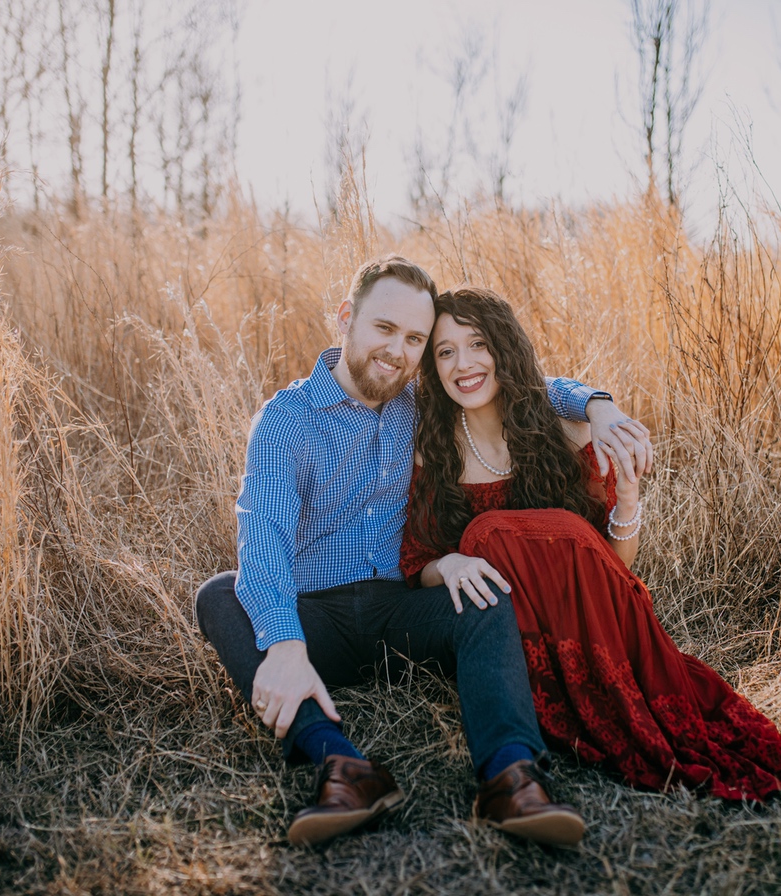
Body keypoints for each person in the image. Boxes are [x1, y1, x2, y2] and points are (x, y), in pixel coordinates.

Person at [194, 255, 653, 848]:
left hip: (398, 613)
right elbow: (264, 545)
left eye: (415, 339)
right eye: (385, 329)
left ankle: (512, 776)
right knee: (219, 595)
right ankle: (344, 768)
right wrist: (284, 647)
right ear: (346, 319)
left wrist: (600, 404)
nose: (398, 351)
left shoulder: (423, 407)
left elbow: (522, 386)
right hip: (316, 620)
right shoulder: (287, 420)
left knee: (487, 598)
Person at [401, 286, 781, 799]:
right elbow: (419, 563)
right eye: (446, 351)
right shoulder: (432, 452)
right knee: (483, 537)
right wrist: (449, 564)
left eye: (477, 344)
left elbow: (613, 569)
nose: (463, 364)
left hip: (600, 622)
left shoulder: (568, 434)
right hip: (509, 640)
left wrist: (627, 502)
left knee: (512, 533)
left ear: (504, 350)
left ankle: (607, 690)